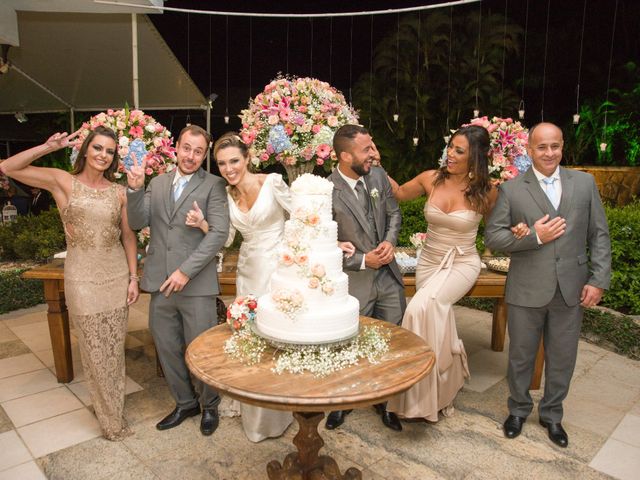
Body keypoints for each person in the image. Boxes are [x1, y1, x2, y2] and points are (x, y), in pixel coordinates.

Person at [0, 126, 140, 440]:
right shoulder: (63, 181)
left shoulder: (119, 192)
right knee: (94, 351)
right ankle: (110, 422)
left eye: (109, 151)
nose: (103, 155)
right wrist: (48, 147)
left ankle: (113, 413)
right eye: (98, 148)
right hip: (82, 279)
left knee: (113, 351)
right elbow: (8, 168)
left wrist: (133, 278)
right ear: (86, 150)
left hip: (116, 275)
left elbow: (129, 237)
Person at [485, 122, 611, 448]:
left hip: (571, 288)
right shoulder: (512, 190)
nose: (549, 153)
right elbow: (494, 237)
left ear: (562, 146)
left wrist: (598, 279)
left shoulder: (584, 183)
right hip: (526, 288)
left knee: (563, 357)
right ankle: (518, 409)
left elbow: (599, 234)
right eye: (542, 147)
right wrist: (535, 236)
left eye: (555, 146)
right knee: (521, 356)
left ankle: (552, 415)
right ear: (529, 150)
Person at [384, 125, 507, 423]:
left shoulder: (487, 190)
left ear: (475, 157)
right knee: (435, 319)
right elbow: (398, 193)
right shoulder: (430, 178)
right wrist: (377, 166)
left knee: (420, 307)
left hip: (462, 263)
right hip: (429, 261)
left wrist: (519, 235)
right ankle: (435, 391)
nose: (450, 154)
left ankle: (421, 390)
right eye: (450, 147)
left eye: (459, 151)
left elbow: (496, 229)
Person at [185, 131, 294, 442]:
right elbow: (228, 238)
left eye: (234, 160)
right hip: (247, 269)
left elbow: (300, 215)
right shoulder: (227, 195)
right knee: (249, 336)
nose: (229, 168)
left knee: (275, 335)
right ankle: (255, 410)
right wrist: (202, 224)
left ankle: (279, 407)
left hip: (277, 268)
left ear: (247, 158)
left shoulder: (271, 182)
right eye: (221, 163)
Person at [126, 124, 230, 436]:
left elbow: (219, 234)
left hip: (195, 283)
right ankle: (185, 402)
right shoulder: (156, 184)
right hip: (160, 281)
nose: (191, 156)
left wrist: (186, 270)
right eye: (187, 148)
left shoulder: (214, 185)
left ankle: (209, 404)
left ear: (204, 156)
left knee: (199, 348)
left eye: (199, 151)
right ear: (176, 147)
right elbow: (136, 221)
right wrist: (134, 189)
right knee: (166, 345)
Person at [326, 124, 406, 432]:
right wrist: (361, 260)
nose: (373, 153)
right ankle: (342, 402)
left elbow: (395, 213)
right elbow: (318, 241)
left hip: (387, 277)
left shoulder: (378, 176)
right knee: (348, 344)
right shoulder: (326, 190)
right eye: (366, 149)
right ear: (346, 156)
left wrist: (389, 241)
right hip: (352, 283)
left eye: (372, 146)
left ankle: (385, 403)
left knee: (388, 343)